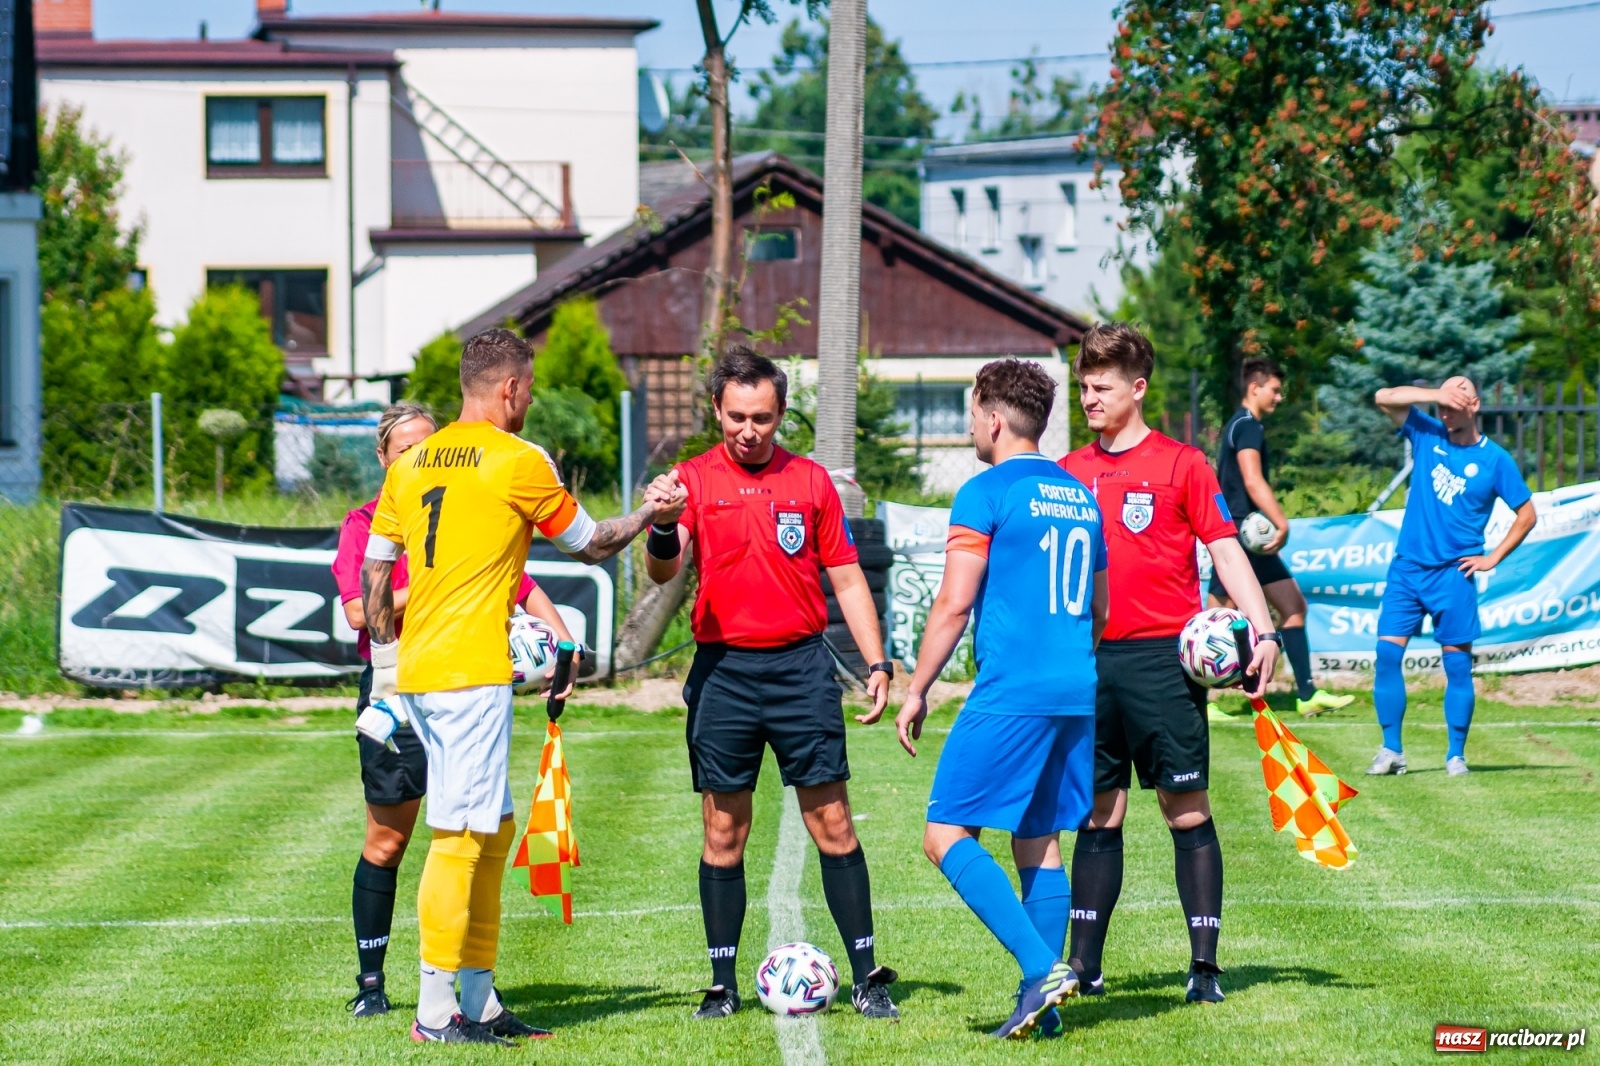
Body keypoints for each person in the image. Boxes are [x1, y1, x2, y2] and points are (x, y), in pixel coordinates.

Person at [362, 328, 684, 1046]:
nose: (530, 400)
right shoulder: (517, 458)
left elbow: (376, 571)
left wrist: (389, 650)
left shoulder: (410, 463)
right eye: (530, 389)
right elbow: (593, 542)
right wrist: (653, 518)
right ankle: (435, 1010)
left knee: (495, 825)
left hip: (424, 669)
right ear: (509, 389)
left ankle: (477, 997)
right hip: (470, 672)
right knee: (459, 836)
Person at [643, 346, 899, 1022]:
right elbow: (664, 572)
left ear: (782, 413)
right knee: (723, 830)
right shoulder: (691, 480)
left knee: (833, 824)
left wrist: (876, 663)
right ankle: (722, 985)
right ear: (717, 412)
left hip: (801, 671)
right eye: (735, 417)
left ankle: (868, 976)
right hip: (723, 673)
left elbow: (846, 578)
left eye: (760, 417)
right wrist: (664, 526)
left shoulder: (811, 482)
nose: (747, 430)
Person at [331, 400, 580, 1019]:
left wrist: (566, 647)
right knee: (390, 839)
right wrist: (442, 586)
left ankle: (472, 995)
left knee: (478, 833)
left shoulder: (466, 508)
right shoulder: (366, 523)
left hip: (463, 680)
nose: (417, 457)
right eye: (405, 449)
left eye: (426, 446)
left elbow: (525, 587)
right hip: (397, 691)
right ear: (384, 459)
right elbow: (362, 612)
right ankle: (374, 984)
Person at [1058, 323, 1279, 1006]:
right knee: (1098, 816)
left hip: (1163, 662)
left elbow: (1225, 548)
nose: (1089, 398)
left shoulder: (1182, 465)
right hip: (1090, 664)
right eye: (1084, 386)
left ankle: (1204, 967)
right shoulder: (1066, 474)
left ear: (1138, 387)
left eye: (1101, 387)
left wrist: (1263, 631)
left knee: (1185, 811)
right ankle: (1084, 967)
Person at [894, 358, 1107, 1040]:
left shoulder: (985, 490)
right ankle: (1043, 1017)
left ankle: (1041, 967)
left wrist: (917, 688)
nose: (969, 427)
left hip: (1013, 689)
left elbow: (954, 604)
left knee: (944, 833)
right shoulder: (1080, 493)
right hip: (1075, 686)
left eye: (969, 414)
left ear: (991, 415)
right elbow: (1100, 608)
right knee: (1038, 842)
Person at [1366, 376, 1536, 777]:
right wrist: (1434, 394)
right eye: (1443, 403)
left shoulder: (1495, 460)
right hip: (1407, 569)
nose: (1445, 411)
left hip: (1453, 576)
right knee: (1387, 655)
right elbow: (1382, 397)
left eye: (1455, 402)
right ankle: (1392, 751)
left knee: (1457, 668)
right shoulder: (1427, 432)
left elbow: (1527, 514)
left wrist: (1492, 558)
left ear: (1474, 405)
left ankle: (1455, 755)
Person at [1208, 358, 1354, 718]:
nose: (1279, 397)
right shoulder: (1248, 427)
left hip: (1235, 533)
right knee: (1218, 618)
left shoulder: (1236, 424)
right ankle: (1203, 701)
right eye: (1274, 389)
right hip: (1243, 536)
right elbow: (1252, 478)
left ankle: (1305, 694)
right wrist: (1280, 523)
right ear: (1254, 387)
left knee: (1281, 608)